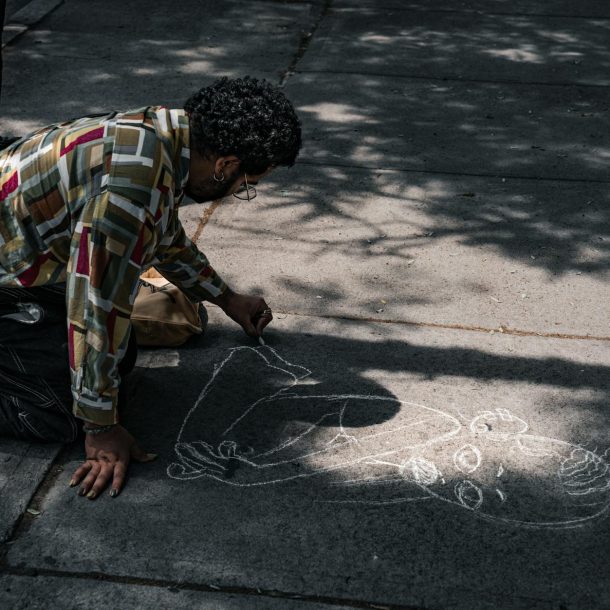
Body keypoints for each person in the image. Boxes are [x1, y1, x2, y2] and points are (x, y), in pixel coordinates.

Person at [0, 76, 302, 499]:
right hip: (13, 268)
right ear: (226, 166)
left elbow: (162, 234)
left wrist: (225, 297)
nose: (242, 190)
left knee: (114, 365)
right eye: (248, 184)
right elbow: (94, 306)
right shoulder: (130, 190)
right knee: (62, 413)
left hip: (23, 259)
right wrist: (100, 430)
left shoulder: (161, 135)